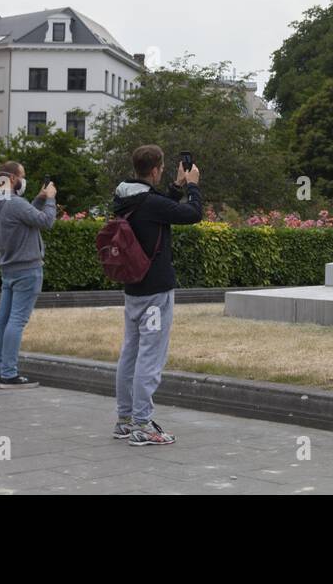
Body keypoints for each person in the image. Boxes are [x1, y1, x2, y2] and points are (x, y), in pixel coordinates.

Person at [111, 145, 202, 447]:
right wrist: (193, 187)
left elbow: (160, 206)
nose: (162, 172)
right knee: (151, 355)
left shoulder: (126, 197)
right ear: (154, 170)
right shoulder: (149, 203)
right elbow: (192, 214)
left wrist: (176, 186)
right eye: (162, 169)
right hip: (155, 290)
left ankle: (125, 419)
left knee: (131, 352)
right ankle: (142, 423)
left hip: (134, 287)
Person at [0, 161, 56, 388]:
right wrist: (51, 198)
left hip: (9, 268)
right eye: (22, 176)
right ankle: (9, 374)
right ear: (13, 179)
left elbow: (25, 216)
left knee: (2, 319)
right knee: (17, 320)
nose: (24, 180)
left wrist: (39, 198)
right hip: (27, 269)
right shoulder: (15, 203)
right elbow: (46, 221)